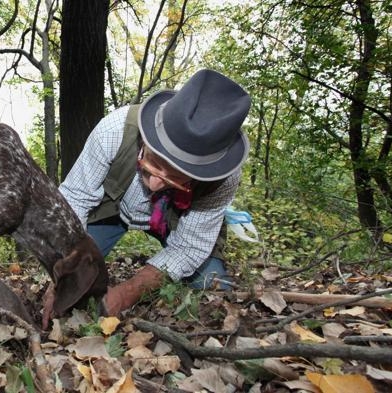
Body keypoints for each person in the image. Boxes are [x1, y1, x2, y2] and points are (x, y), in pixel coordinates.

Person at [59, 69, 251, 316]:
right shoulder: (114, 131)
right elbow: (75, 198)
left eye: (177, 178)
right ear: (146, 138)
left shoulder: (221, 179)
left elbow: (189, 248)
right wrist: (65, 270)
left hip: (177, 223)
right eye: (152, 164)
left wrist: (128, 292)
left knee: (212, 285)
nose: (155, 185)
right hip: (110, 211)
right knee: (77, 270)